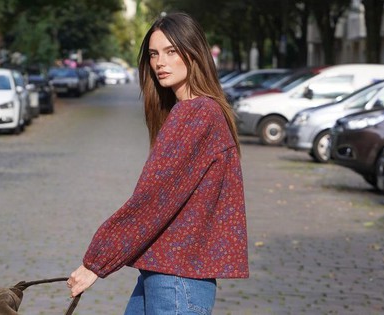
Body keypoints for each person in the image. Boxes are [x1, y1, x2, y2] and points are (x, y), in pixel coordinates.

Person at [67, 12, 249, 314]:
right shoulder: (193, 112)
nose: (160, 62)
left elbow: (153, 199)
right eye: (153, 54)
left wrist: (96, 263)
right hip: (164, 272)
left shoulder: (198, 114)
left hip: (178, 279)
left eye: (171, 51)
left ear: (194, 53)